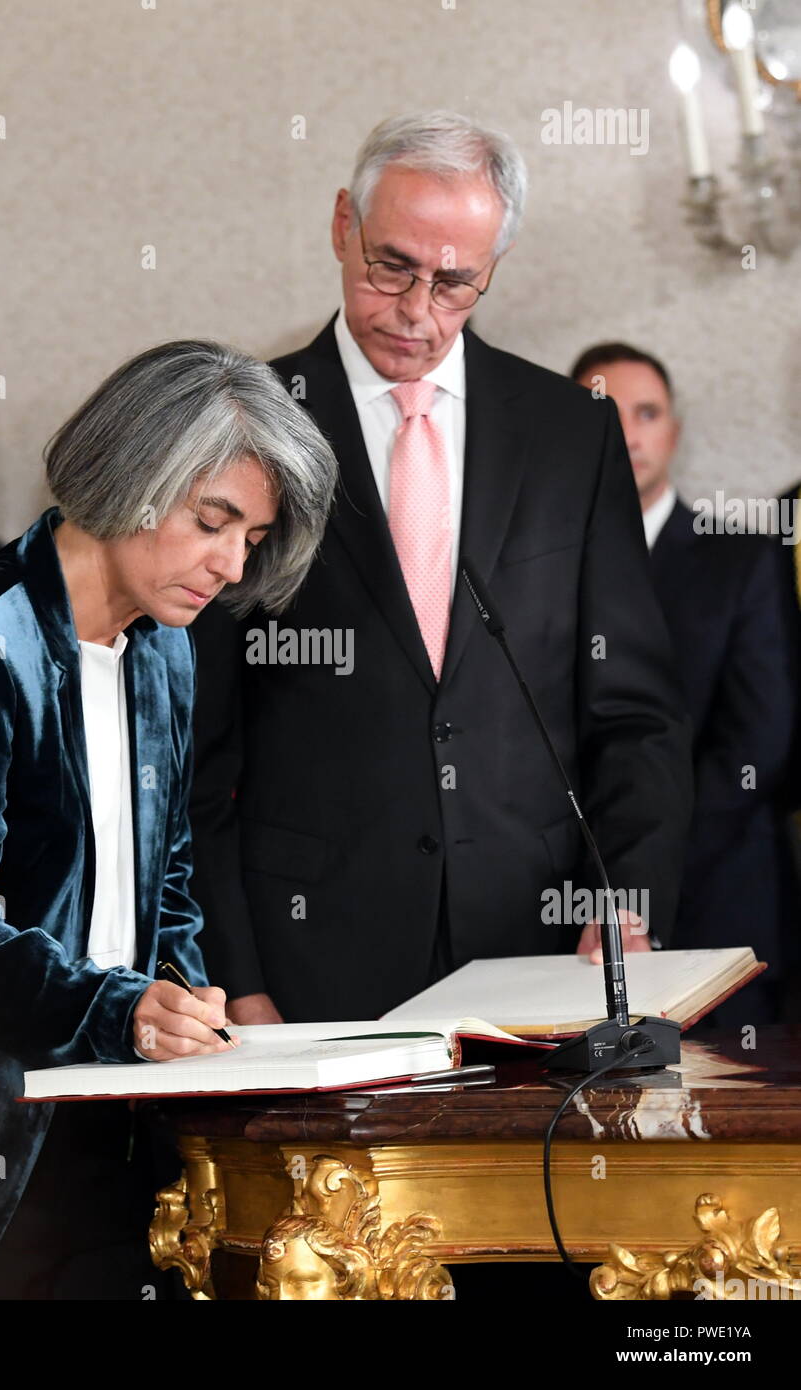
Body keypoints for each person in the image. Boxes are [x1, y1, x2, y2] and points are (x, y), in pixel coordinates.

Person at [0, 340, 337, 1299]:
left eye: (250, 539)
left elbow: (166, 885)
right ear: (133, 475)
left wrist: (183, 1001)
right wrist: (118, 1010)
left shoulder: (165, 649)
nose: (228, 565)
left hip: (118, 1119)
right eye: (213, 522)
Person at [188, 111, 694, 1026]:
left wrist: (626, 890)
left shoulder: (570, 431)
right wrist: (234, 974)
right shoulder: (247, 429)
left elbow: (633, 709)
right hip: (307, 956)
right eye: (391, 265)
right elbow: (198, 748)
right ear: (343, 224)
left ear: (493, 268)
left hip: (538, 947)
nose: (416, 310)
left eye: (455, 281)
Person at [572, 342, 798, 1023]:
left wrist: (642, 869)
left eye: (647, 412)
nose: (629, 430)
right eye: (604, 411)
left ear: (673, 431)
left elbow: (762, 742)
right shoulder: (531, 570)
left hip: (721, 905)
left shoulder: (741, 559)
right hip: (555, 924)